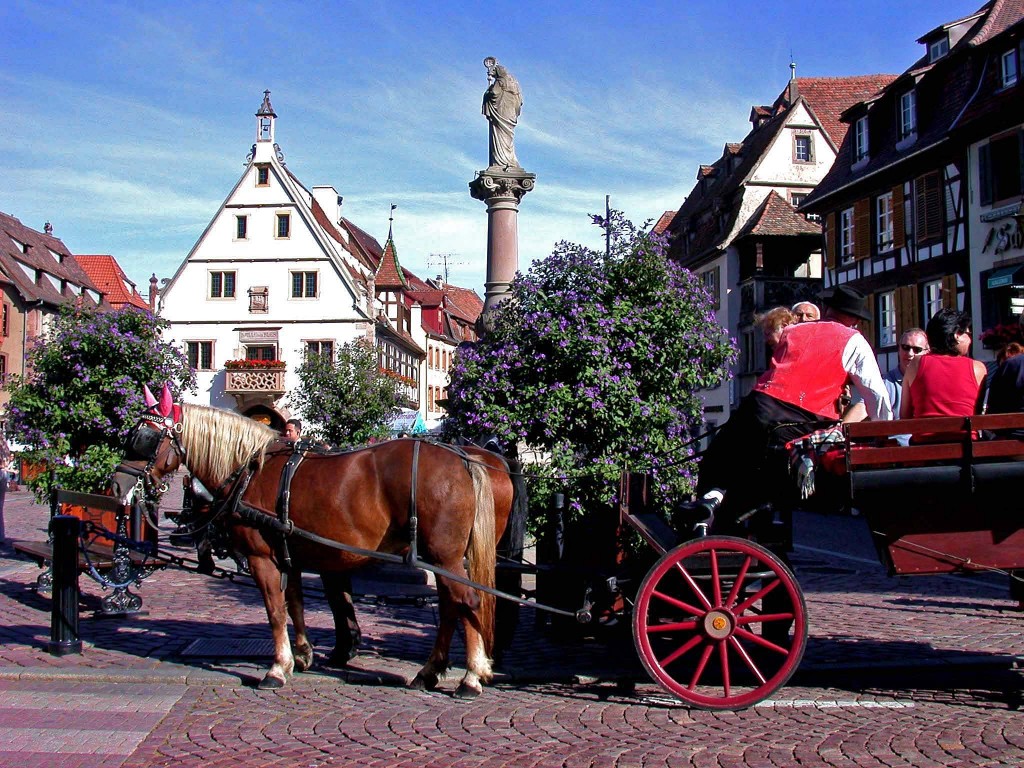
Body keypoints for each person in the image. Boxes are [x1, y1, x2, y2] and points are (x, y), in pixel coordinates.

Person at [687, 285, 892, 516]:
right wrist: (883, 432)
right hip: (800, 418)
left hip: (759, 405)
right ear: (855, 319)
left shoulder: (793, 331)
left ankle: (711, 502)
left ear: (826, 309)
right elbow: (876, 394)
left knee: (721, 455)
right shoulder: (854, 340)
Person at [901, 308, 987, 425]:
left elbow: (905, 415)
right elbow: (977, 415)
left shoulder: (916, 364)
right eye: (968, 334)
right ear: (957, 335)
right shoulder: (978, 368)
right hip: (966, 441)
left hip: (925, 442)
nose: (970, 340)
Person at [482, 57, 523, 170]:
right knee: (508, 138)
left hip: (500, 114)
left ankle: (501, 161)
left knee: (499, 137)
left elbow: (494, 93)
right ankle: (510, 159)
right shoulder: (514, 82)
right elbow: (520, 101)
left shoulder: (501, 81)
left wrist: (488, 92)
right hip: (510, 115)